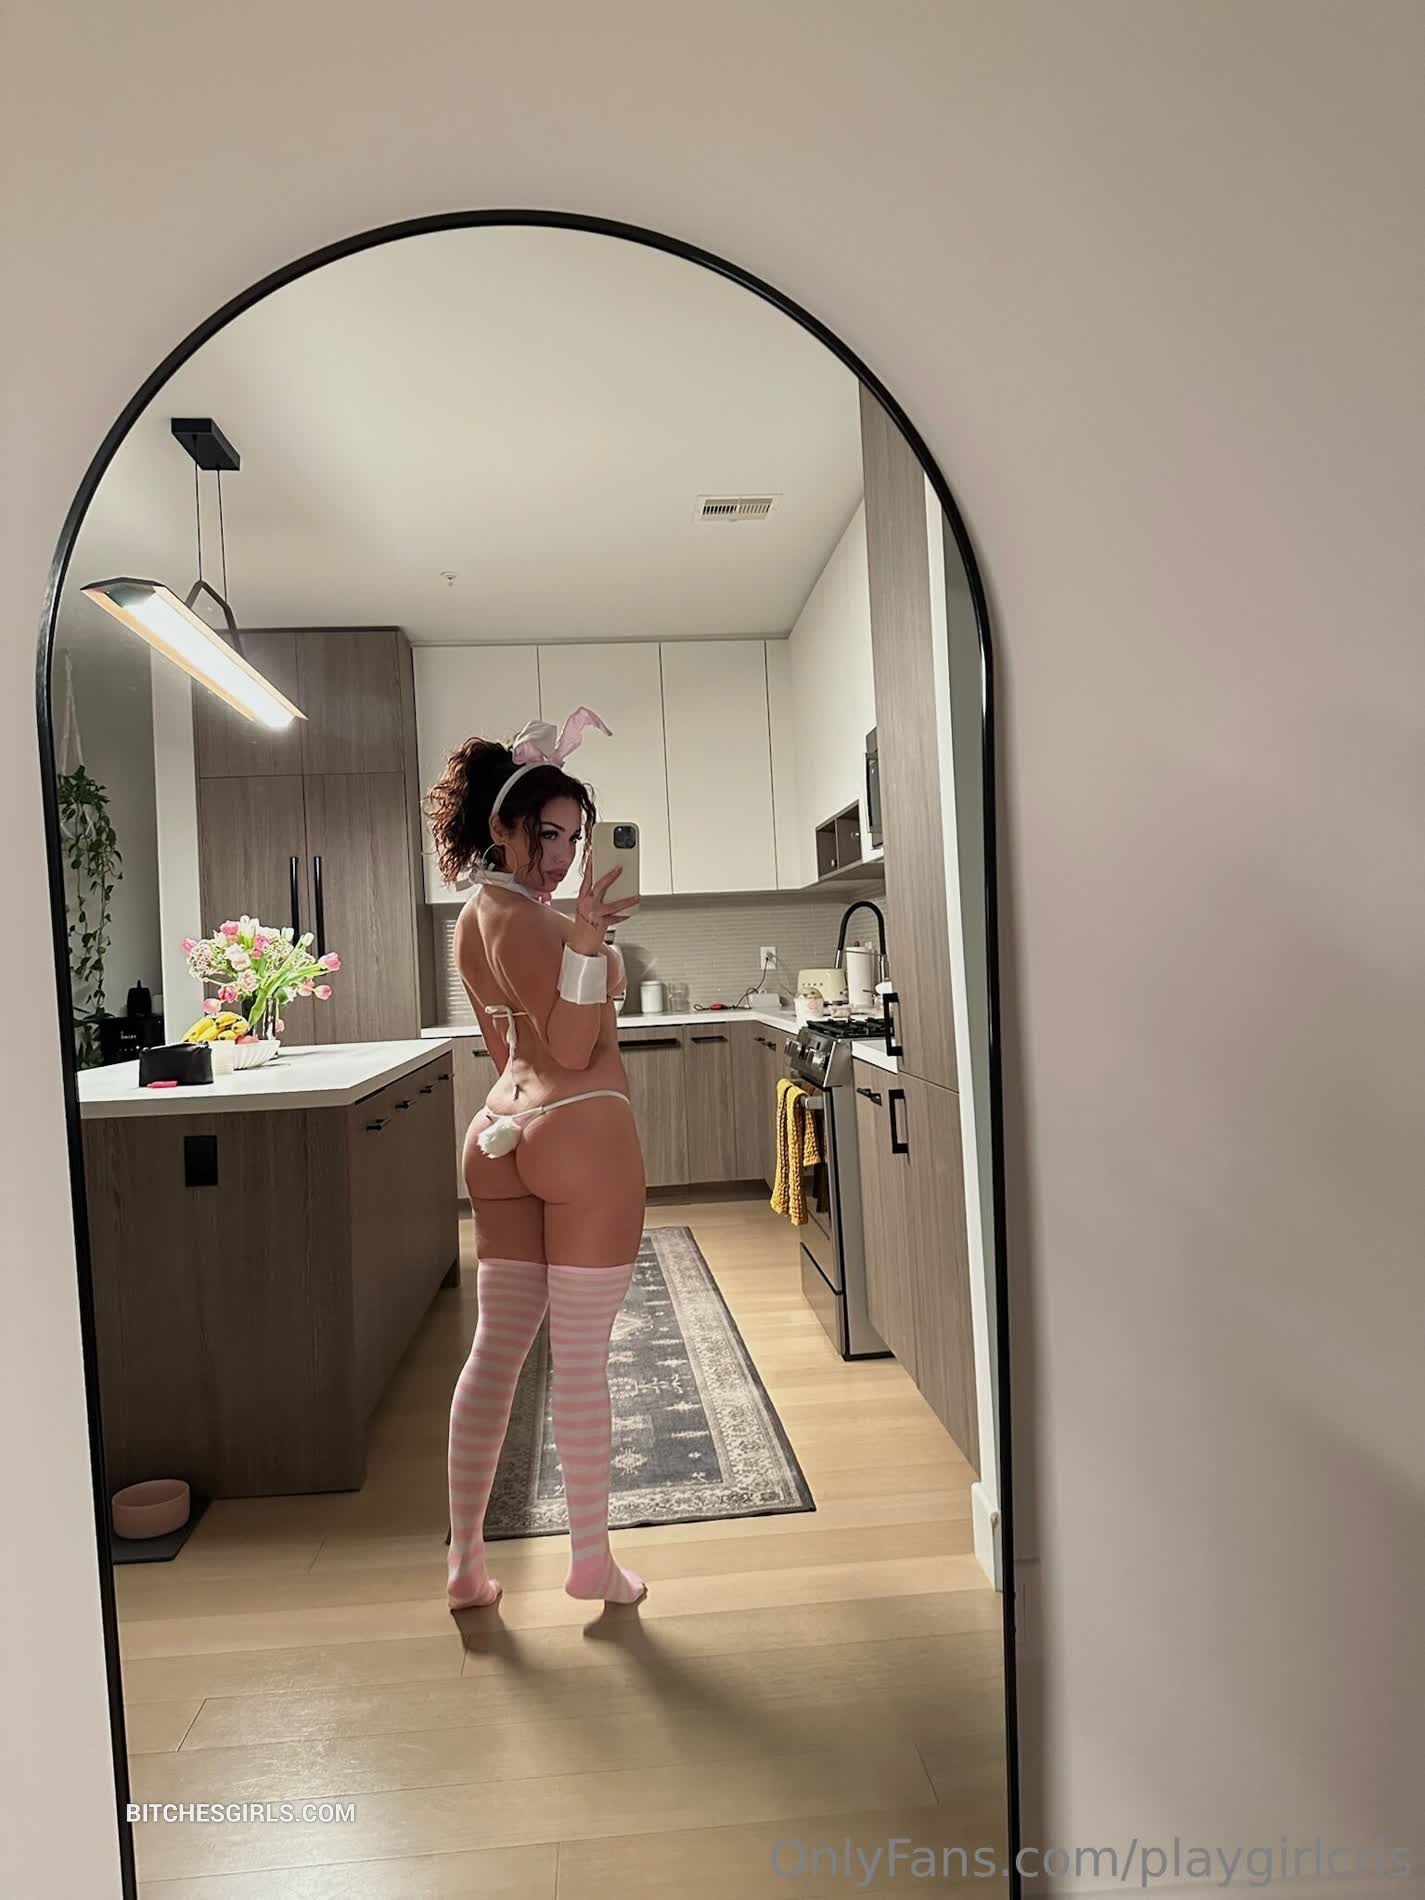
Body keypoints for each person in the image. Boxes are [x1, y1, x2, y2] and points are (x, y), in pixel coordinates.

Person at [425, 709, 648, 1611]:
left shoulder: (475, 916)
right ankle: (591, 1564)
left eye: (572, 838)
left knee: (495, 1355)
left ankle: (465, 1568)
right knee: (582, 1360)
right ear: (501, 826)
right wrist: (589, 944)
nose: (560, 855)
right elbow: (572, 1044)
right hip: (580, 1134)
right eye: (544, 834)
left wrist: (576, 935)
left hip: (500, 1133)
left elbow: (506, 1045)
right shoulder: (532, 919)